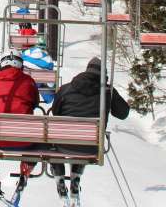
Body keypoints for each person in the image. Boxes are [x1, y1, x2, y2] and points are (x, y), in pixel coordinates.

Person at [48, 57, 130, 201]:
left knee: (56, 141)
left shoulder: (66, 89)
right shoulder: (107, 92)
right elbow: (123, 114)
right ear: (103, 75)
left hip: (62, 144)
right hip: (92, 146)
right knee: (83, 141)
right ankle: (76, 178)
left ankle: (60, 178)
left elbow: (56, 111)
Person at [0, 52, 39, 196]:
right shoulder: (28, 81)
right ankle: (27, 165)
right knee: (40, 137)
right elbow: (35, 101)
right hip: (26, 141)